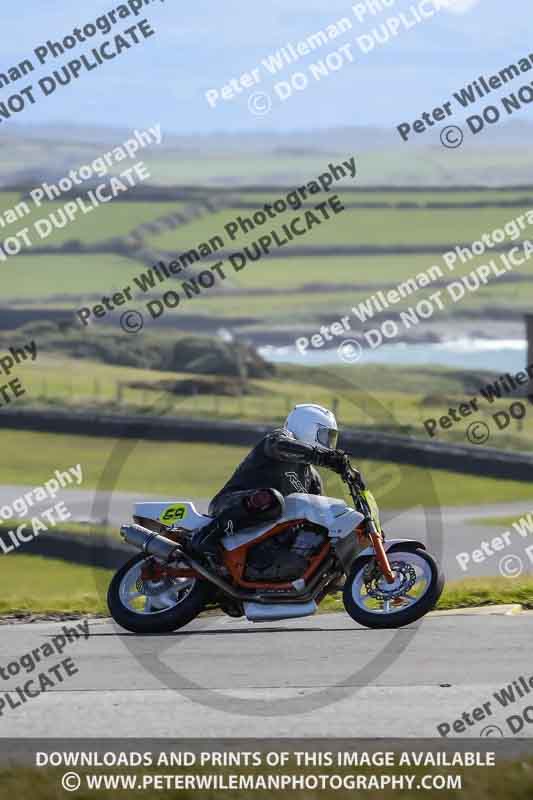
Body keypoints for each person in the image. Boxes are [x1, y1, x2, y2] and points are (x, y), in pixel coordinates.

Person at [189, 403, 350, 559]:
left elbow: (321, 516)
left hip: (270, 535)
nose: (329, 444)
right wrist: (321, 457)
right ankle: (205, 537)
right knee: (273, 500)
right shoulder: (278, 439)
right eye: (325, 436)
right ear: (307, 428)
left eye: (332, 438)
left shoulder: (312, 477)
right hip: (229, 504)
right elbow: (280, 445)